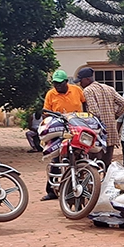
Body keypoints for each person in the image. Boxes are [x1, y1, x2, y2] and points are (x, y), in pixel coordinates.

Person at [39, 69, 88, 200]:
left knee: (79, 155)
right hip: (59, 129)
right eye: (55, 83)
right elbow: (46, 112)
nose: (57, 86)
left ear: (66, 82)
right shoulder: (51, 94)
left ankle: (81, 184)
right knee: (56, 157)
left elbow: (84, 103)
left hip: (76, 127)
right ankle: (51, 191)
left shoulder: (76, 90)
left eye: (60, 83)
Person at [77, 66, 124, 168]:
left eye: (80, 81)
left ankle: (94, 183)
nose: (80, 84)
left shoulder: (88, 91)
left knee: (93, 164)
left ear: (87, 79)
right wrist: (115, 116)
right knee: (107, 164)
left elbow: (94, 112)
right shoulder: (109, 88)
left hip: (97, 134)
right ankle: (106, 182)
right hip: (111, 131)